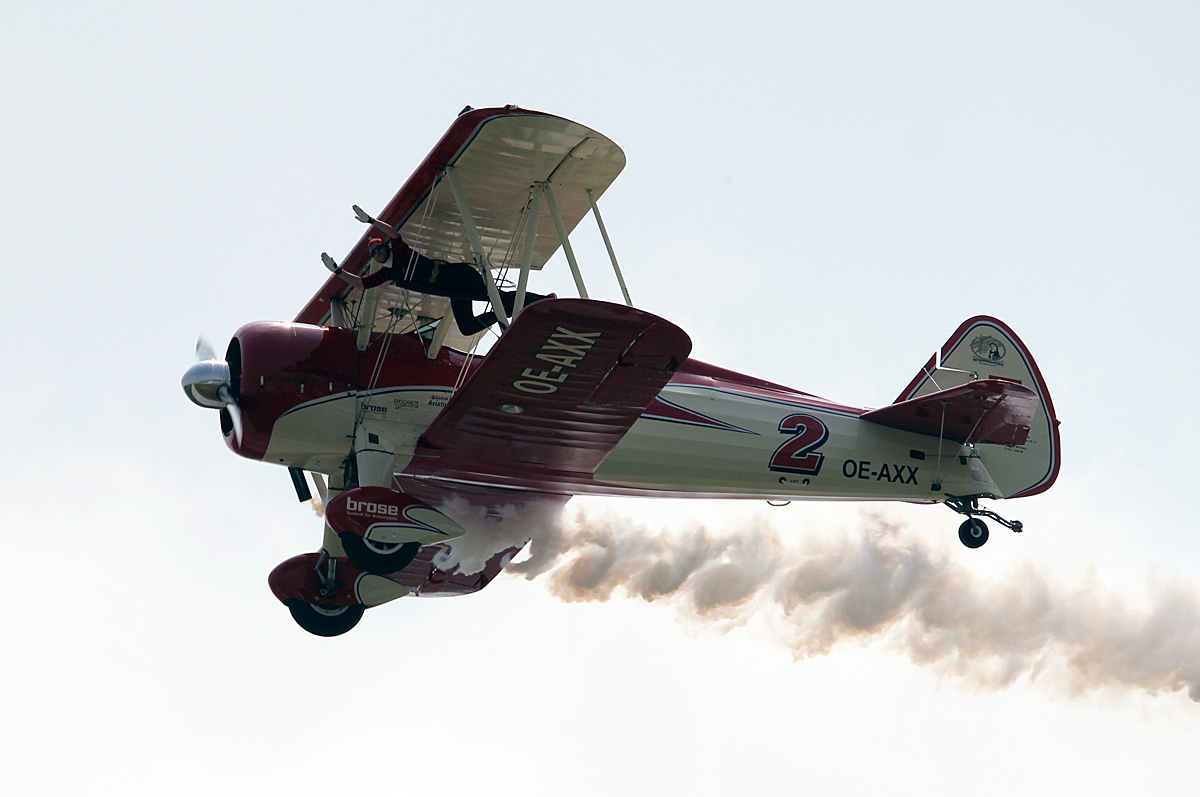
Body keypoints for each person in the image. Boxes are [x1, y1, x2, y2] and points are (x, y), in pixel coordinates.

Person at [326, 236, 548, 336]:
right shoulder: (389, 272)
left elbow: (394, 233)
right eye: (374, 253)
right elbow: (361, 283)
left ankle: (542, 300)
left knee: (496, 297)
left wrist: (372, 222)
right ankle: (515, 310)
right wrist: (337, 271)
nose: (378, 253)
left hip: (460, 276)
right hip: (453, 290)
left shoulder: (402, 253)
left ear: (387, 248)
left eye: (380, 249)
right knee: (467, 327)